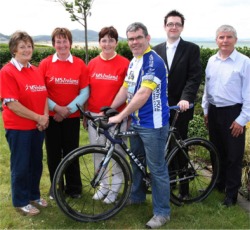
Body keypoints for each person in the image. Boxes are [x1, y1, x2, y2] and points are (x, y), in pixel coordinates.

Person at [108, 22, 170, 229]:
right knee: (136, 161)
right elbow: (126, 88)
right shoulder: (134, 61)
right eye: (131, 38)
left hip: (154, 124)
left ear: (147, 38)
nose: (134, 42)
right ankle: (137, 197)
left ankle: (162, 212)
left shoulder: (154, 62)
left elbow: (143, 93)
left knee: (157, 168)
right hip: (137, 122)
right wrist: (110, 108)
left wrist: (120, 116)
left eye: (138, 38)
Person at [153, 10, 202, 198]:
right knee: (164, 148)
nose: (173, 27)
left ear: (182, 27)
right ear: (165, 26)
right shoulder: (156, 50)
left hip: (180, 107)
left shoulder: (191, 49)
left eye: (177, 24)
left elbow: (194, 77)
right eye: (170, 24)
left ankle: (184, 189)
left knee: (179, 147)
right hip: (161, 108)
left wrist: (186, 98)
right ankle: (169, 183)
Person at [0, 31, 49, 216]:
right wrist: (39, 118)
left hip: (37, 127)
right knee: (21, 166)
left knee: (36, 164)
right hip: (19, 129)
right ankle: (21, 201)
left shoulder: (35, 70)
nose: (27, 49)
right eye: (22, 46)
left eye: (29, 46)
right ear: (14, 50)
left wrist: (44, 117)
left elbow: (43, 94)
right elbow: (12, 104)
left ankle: (33, 195)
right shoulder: (7, 72)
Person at [202, 25, 250, 207]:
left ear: (235, 40)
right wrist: (206, 110)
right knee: (216, 152)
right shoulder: (212, 61)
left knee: (233, 156)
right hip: (214, 112)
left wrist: (241, 119)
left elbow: (249, 93)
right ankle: (219, 184)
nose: (225, 40)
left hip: (233, 113)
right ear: (216, 40)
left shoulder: (244, 62)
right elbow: (207, 89)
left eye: (229, 37)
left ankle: (231, 195)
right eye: (221, 37)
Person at [39, 27, 89, 200]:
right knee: (53, 154)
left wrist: (67, 110)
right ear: (53, 44)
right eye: (58, 41)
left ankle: (74, 188)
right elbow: (40, 91)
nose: (61, 45)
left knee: (72, 152)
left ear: (70, 43)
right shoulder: (45, 64)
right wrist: (56, 109)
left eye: (64, 41)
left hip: (71, 117)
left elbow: (85, 92)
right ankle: (56, 187)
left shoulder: (79, 64)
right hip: (51, 118)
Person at [86, 26, 130, 204]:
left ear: (116, 42)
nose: (107, 43)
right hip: (95, 116)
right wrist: (86, 115)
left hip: (117, 117)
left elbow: (128, 91)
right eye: (104, 40)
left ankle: (114, 189)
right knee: (98, 152)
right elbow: (87, 91)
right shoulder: (92, 64)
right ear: (99, 43)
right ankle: (103, 185)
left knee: (117, 153)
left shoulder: (125, 63)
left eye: (111, 40)